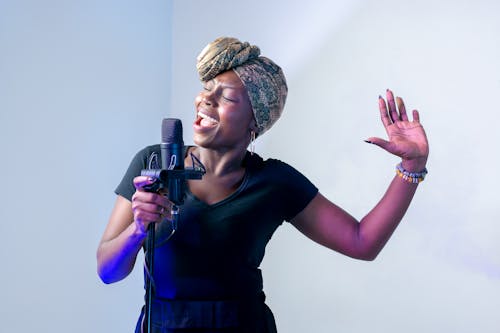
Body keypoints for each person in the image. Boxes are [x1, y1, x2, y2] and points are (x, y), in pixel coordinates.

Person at [96, 37, 429, 332]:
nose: (205, 100)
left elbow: (361, 242)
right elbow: (107, 271)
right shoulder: (153, 165)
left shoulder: (274, 182)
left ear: (254, 121)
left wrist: (411, 166)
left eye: (225, 97)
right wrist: (138, 230)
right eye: (207, 90)